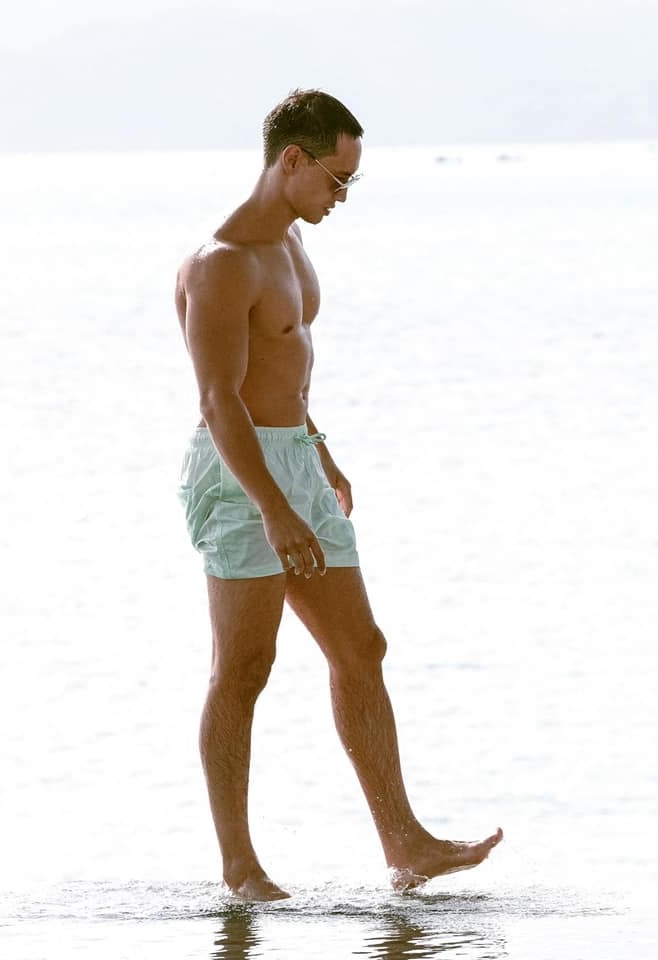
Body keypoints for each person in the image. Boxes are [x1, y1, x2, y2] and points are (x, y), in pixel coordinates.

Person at [175, 89, 502, 901]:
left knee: (362, 649)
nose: (343, 196)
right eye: (337, 178)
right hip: (240, 475)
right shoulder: (221, 264)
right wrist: (274, 506)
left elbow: (284, 371)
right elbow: (220, 400)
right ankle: (241, 868)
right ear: (292, 160)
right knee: (245, 667)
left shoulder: (291, 243)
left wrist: (320, 455)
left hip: (295, 461)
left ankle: (406, 845)